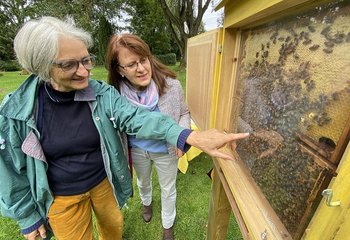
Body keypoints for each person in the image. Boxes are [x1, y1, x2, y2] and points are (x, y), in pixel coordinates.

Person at [0, 16, 249, 240]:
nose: (85, 70)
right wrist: (26, 216)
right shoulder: (17, 111)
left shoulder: (102, 94)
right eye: (69, 65)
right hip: (61, 198)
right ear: (42, 67)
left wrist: (187, 135)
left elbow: (138, 118)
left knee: (113, 229)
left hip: (103, 183)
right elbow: (10, 170)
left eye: (86, 60)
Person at [105, 34, 189, 240]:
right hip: (137, 151)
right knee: (143, 183)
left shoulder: (172, 86)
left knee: (168, 189)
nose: (141, 68)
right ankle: (147, 203)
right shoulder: (114, 96)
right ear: (119, 70)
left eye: (143, 60)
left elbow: (185, 113)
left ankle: (168, 224)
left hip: (166, 151)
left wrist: (183, 137)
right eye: (132, 64)